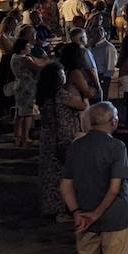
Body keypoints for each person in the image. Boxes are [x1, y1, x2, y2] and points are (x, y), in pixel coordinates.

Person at [59, 102, 128, 254]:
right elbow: (114, 188)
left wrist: (77, 212)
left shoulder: (76, 147)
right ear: (112, 122)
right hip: (114, 217)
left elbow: (65, 185)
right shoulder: (117, 147)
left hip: (83, 217)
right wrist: (96, 214)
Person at [37, 61, 88, 221]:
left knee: (50, 175)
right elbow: (83, 106)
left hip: (48, 139)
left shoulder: (44, 95)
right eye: (62, 73)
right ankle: (63, 211)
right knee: (65, 175)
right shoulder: (62, 95)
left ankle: (52, 208)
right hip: (63, 137)